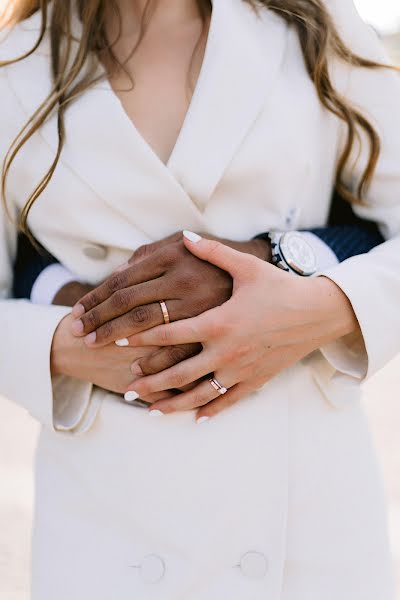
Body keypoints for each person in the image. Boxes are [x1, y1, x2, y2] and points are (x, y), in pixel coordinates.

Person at [0, 1, 399, 598]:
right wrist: (61, 347)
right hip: (106, 527)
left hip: (310, 526)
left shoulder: (316, 23)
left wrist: (312, 305)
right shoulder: (13, 67)